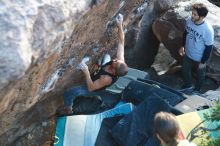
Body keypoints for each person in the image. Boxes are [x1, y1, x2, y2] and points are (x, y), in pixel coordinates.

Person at [56, 14, 128, 115]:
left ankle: (68, 108)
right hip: (101, 74)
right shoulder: (120, 62)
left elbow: (91, 87)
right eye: (117, 61)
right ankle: (99, 67)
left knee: (71, 92)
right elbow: (121, 41)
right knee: (107, 56)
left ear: (113, 71)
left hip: (94, 85)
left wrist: (86, 71)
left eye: (115, 63)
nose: (115, 60)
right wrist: (120, 24)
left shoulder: (106, 79)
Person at [179, 3, 214, 93]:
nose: (192, 16)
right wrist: (182, 46)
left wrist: (203, 61)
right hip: (188, 53)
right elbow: (185, 33)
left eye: (195, 14)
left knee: (200, 75)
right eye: (192, 13)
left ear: (201, 17)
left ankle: (197, 90)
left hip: (200, 57)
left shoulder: (207, 30)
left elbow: (209, 47)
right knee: (185, 70)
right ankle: (188, 85)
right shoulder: (189, 21)